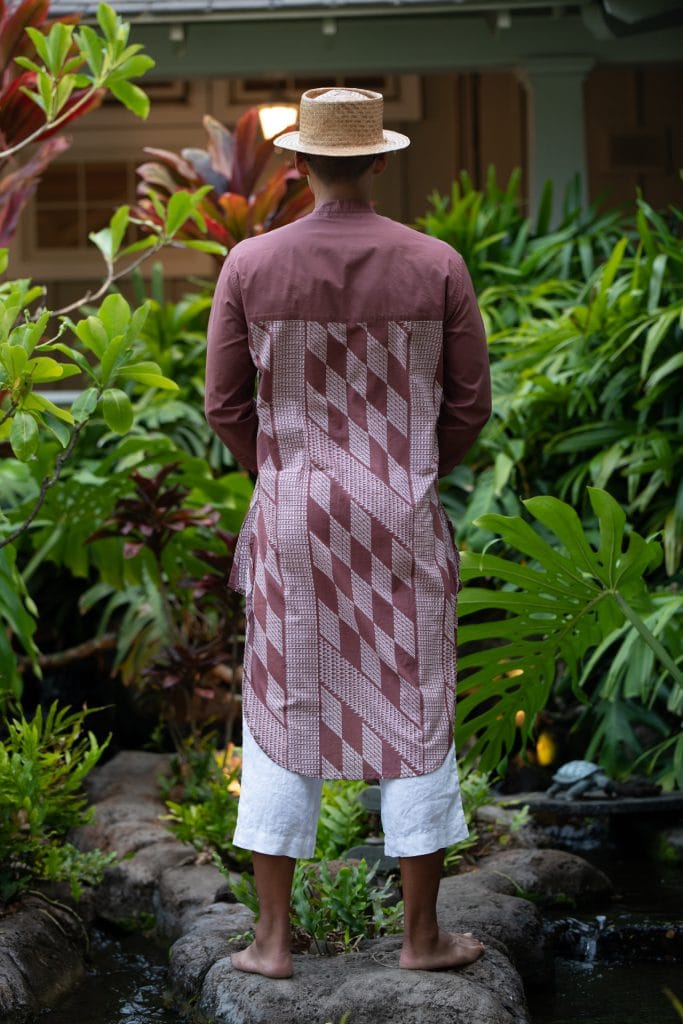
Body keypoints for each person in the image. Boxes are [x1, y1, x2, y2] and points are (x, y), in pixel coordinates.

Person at [205, 86, 491, 980]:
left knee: (282, 708)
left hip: (293, 519)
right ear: (376, 159)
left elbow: (223, 405)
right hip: (401, 517)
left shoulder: (249, 266)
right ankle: (419, 940)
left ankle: (272, 942)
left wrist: (286, 473)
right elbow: (469, 406)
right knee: (416, 699)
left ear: (298, 166)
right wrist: (406, 473)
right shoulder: (436, 263)